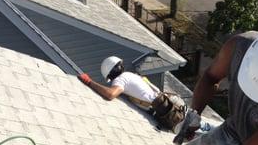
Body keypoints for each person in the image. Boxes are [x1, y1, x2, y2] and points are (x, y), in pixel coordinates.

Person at [78, 56, 211, 132]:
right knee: (203, 127)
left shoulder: (120, 80)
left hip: (167, 112)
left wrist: (90, 82)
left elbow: (111, 94)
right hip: (172, 105)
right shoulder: (129, 75)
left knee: (198, 130)